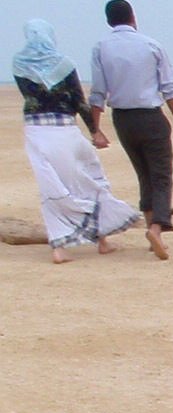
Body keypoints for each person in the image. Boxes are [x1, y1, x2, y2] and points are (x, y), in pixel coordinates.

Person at [13, 19, 140, 264]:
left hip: (36, 130)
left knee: (51, 185)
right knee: (89, 177)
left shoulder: (19, 64)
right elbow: (78, 100)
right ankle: (102, 239)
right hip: (64, 129)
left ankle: (59, 247)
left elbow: (32, 96)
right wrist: (95, 131)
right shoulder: (64, 64)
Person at [88, 0, 173, 261]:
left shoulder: (101, 48)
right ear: (133, 17)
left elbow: (97, 93)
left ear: (109, 22)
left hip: (123, 120)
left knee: (144, 173)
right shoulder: (151, 45)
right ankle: (156, 229)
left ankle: (153, 228)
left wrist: (95, 128)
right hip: (151, 116)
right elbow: (169, 88)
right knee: (161, 175)